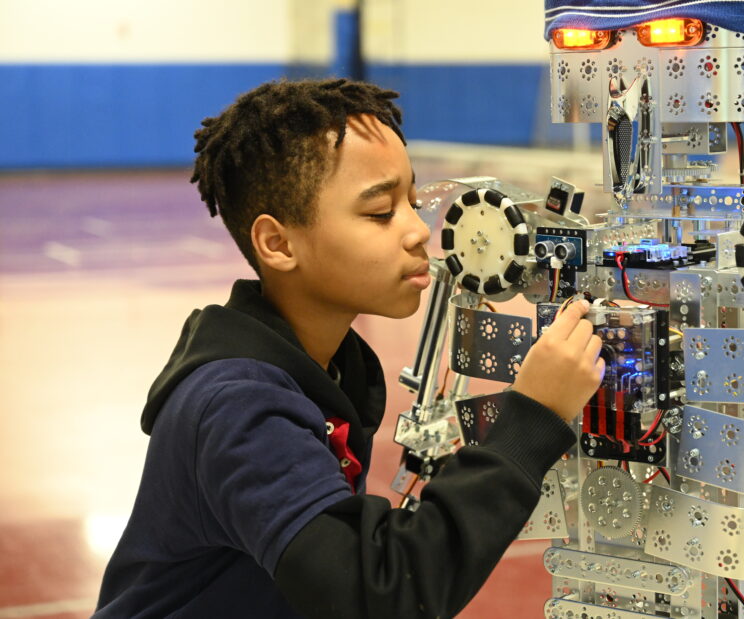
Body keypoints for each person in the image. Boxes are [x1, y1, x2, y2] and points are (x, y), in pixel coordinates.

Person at [94, 78, 605, 618]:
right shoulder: (237, 408)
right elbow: (378, 595)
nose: (417, 232)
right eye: (381, 211)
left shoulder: (324, 373)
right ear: (278, 243)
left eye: (411, 201)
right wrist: (531, 420)